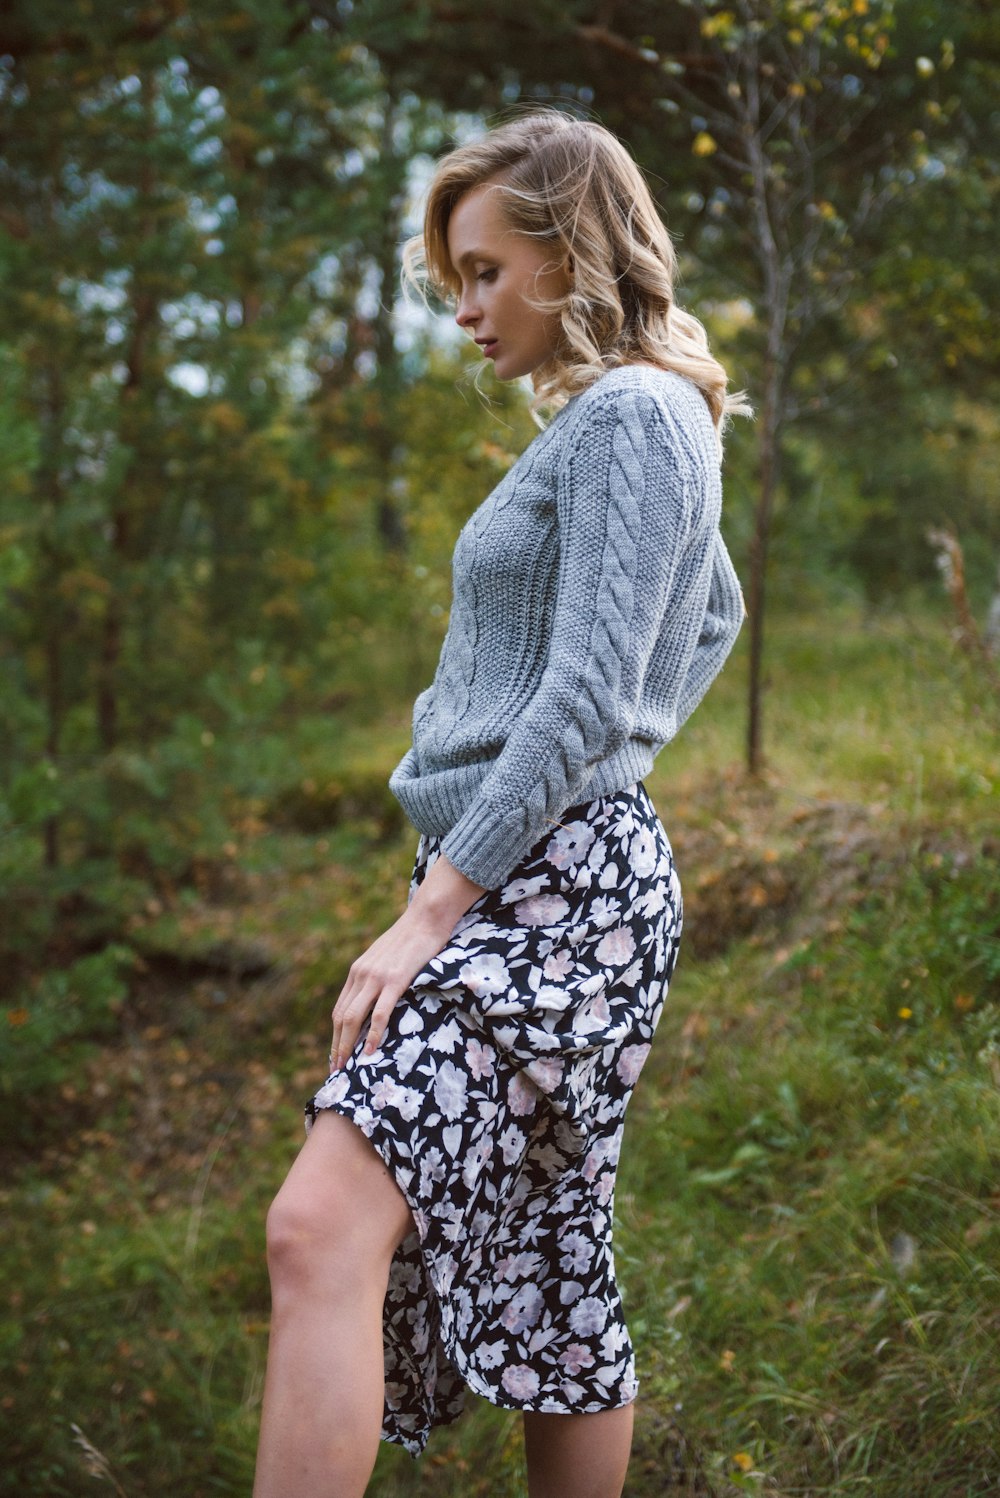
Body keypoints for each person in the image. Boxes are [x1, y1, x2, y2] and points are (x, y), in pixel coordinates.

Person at [252, 110, 747, 1498]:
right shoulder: (628, 419)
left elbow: (596, 696)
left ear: (568, 246)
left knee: (319, 1221)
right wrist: (608, 767)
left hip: (548, 889)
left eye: (483, 270)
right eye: (453, 279)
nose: (464, 309)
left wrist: (434, 906)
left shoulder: (637, 413)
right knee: (551, 1253)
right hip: (546, 865)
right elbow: (715, 616)